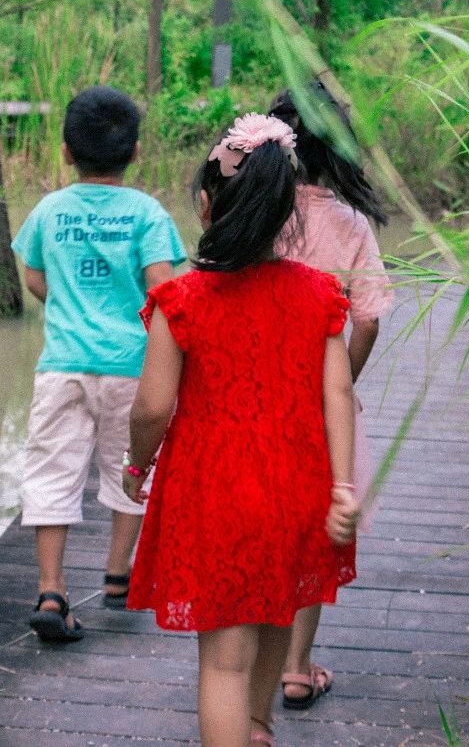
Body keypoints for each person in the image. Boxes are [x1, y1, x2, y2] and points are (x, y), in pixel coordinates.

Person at [123, 113, 361, 746]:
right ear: (286, 212)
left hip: (215, 493)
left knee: (223, 662)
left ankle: (244, 729)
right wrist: (343, 485)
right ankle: (258, 729)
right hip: (297, 489)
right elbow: (337, 391)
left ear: (205, 205)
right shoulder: (319, 294)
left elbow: (151, 408)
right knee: (276, 619)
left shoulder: (182, 299)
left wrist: (136, 464)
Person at [10, 85, 187, 643]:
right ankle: (117, 576)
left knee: (51, 472)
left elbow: (34, 276)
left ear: (65, 150)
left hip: (62, 364)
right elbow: (165, 288)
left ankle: (51, 588)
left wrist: (66, 304)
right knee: (132, 466)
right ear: (136, 153)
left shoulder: (49, 209)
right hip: (132, 367)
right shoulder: (147, 214)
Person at [269, 82, 392, 710]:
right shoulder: (350, 225)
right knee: (318, 531)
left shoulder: (255, 213)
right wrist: (339, 382)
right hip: (321, 407)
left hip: (254, 399)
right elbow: (368, 318)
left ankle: (252, 662)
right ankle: (295, 667)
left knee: (266, 527)